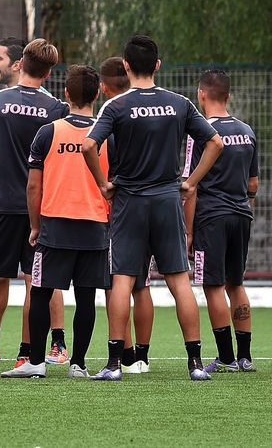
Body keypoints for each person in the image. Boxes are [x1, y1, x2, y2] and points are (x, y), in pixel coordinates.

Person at [83, 34, 223, 381]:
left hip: (129, 202)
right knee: (179, 280)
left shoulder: (114, 106)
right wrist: (190, 182)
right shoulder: (179, 103)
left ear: (126, 65)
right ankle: (194, 364)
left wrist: (104, 184)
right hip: (166, 201)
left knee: (122, 281)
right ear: (157, 65)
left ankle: (114, 364)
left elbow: (88, 146)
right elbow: (215, 142)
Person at [0, 38, 67, 365]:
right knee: (36, 280)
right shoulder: (56, 109)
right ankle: (26, 356)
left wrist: (0, 185)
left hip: (1, 205)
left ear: (22, 63)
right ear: (48, 72)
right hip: (40, 208)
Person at [2, 65, 108, 379]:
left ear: (65, 94)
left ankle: (36, 361)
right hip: (94, 225)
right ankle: (78, 363)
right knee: (86, 295)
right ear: (97, 94)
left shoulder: (49, 131)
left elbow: (33, 185)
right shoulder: (105, 134)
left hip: (54, 225)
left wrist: (34, 225)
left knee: (41, 292)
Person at [185, 69, 259, 373]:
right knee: (236, 283)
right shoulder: (247, 130)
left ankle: (226, 358)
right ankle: (245, 357)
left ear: (202, 94)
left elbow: (191, 187)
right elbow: (253, 185)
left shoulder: (201, 133)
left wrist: (188, 233)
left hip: (211, 218)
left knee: (212, 285)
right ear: (227, 95)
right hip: (242, 214)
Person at [100, 56, 155, 374]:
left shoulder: (111, 117)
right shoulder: (147, 114)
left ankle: (122, 354)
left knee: (118, 282)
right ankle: (142, 357)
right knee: (142, 284)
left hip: (117, 209)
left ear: (104, 87)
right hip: (153, 204)